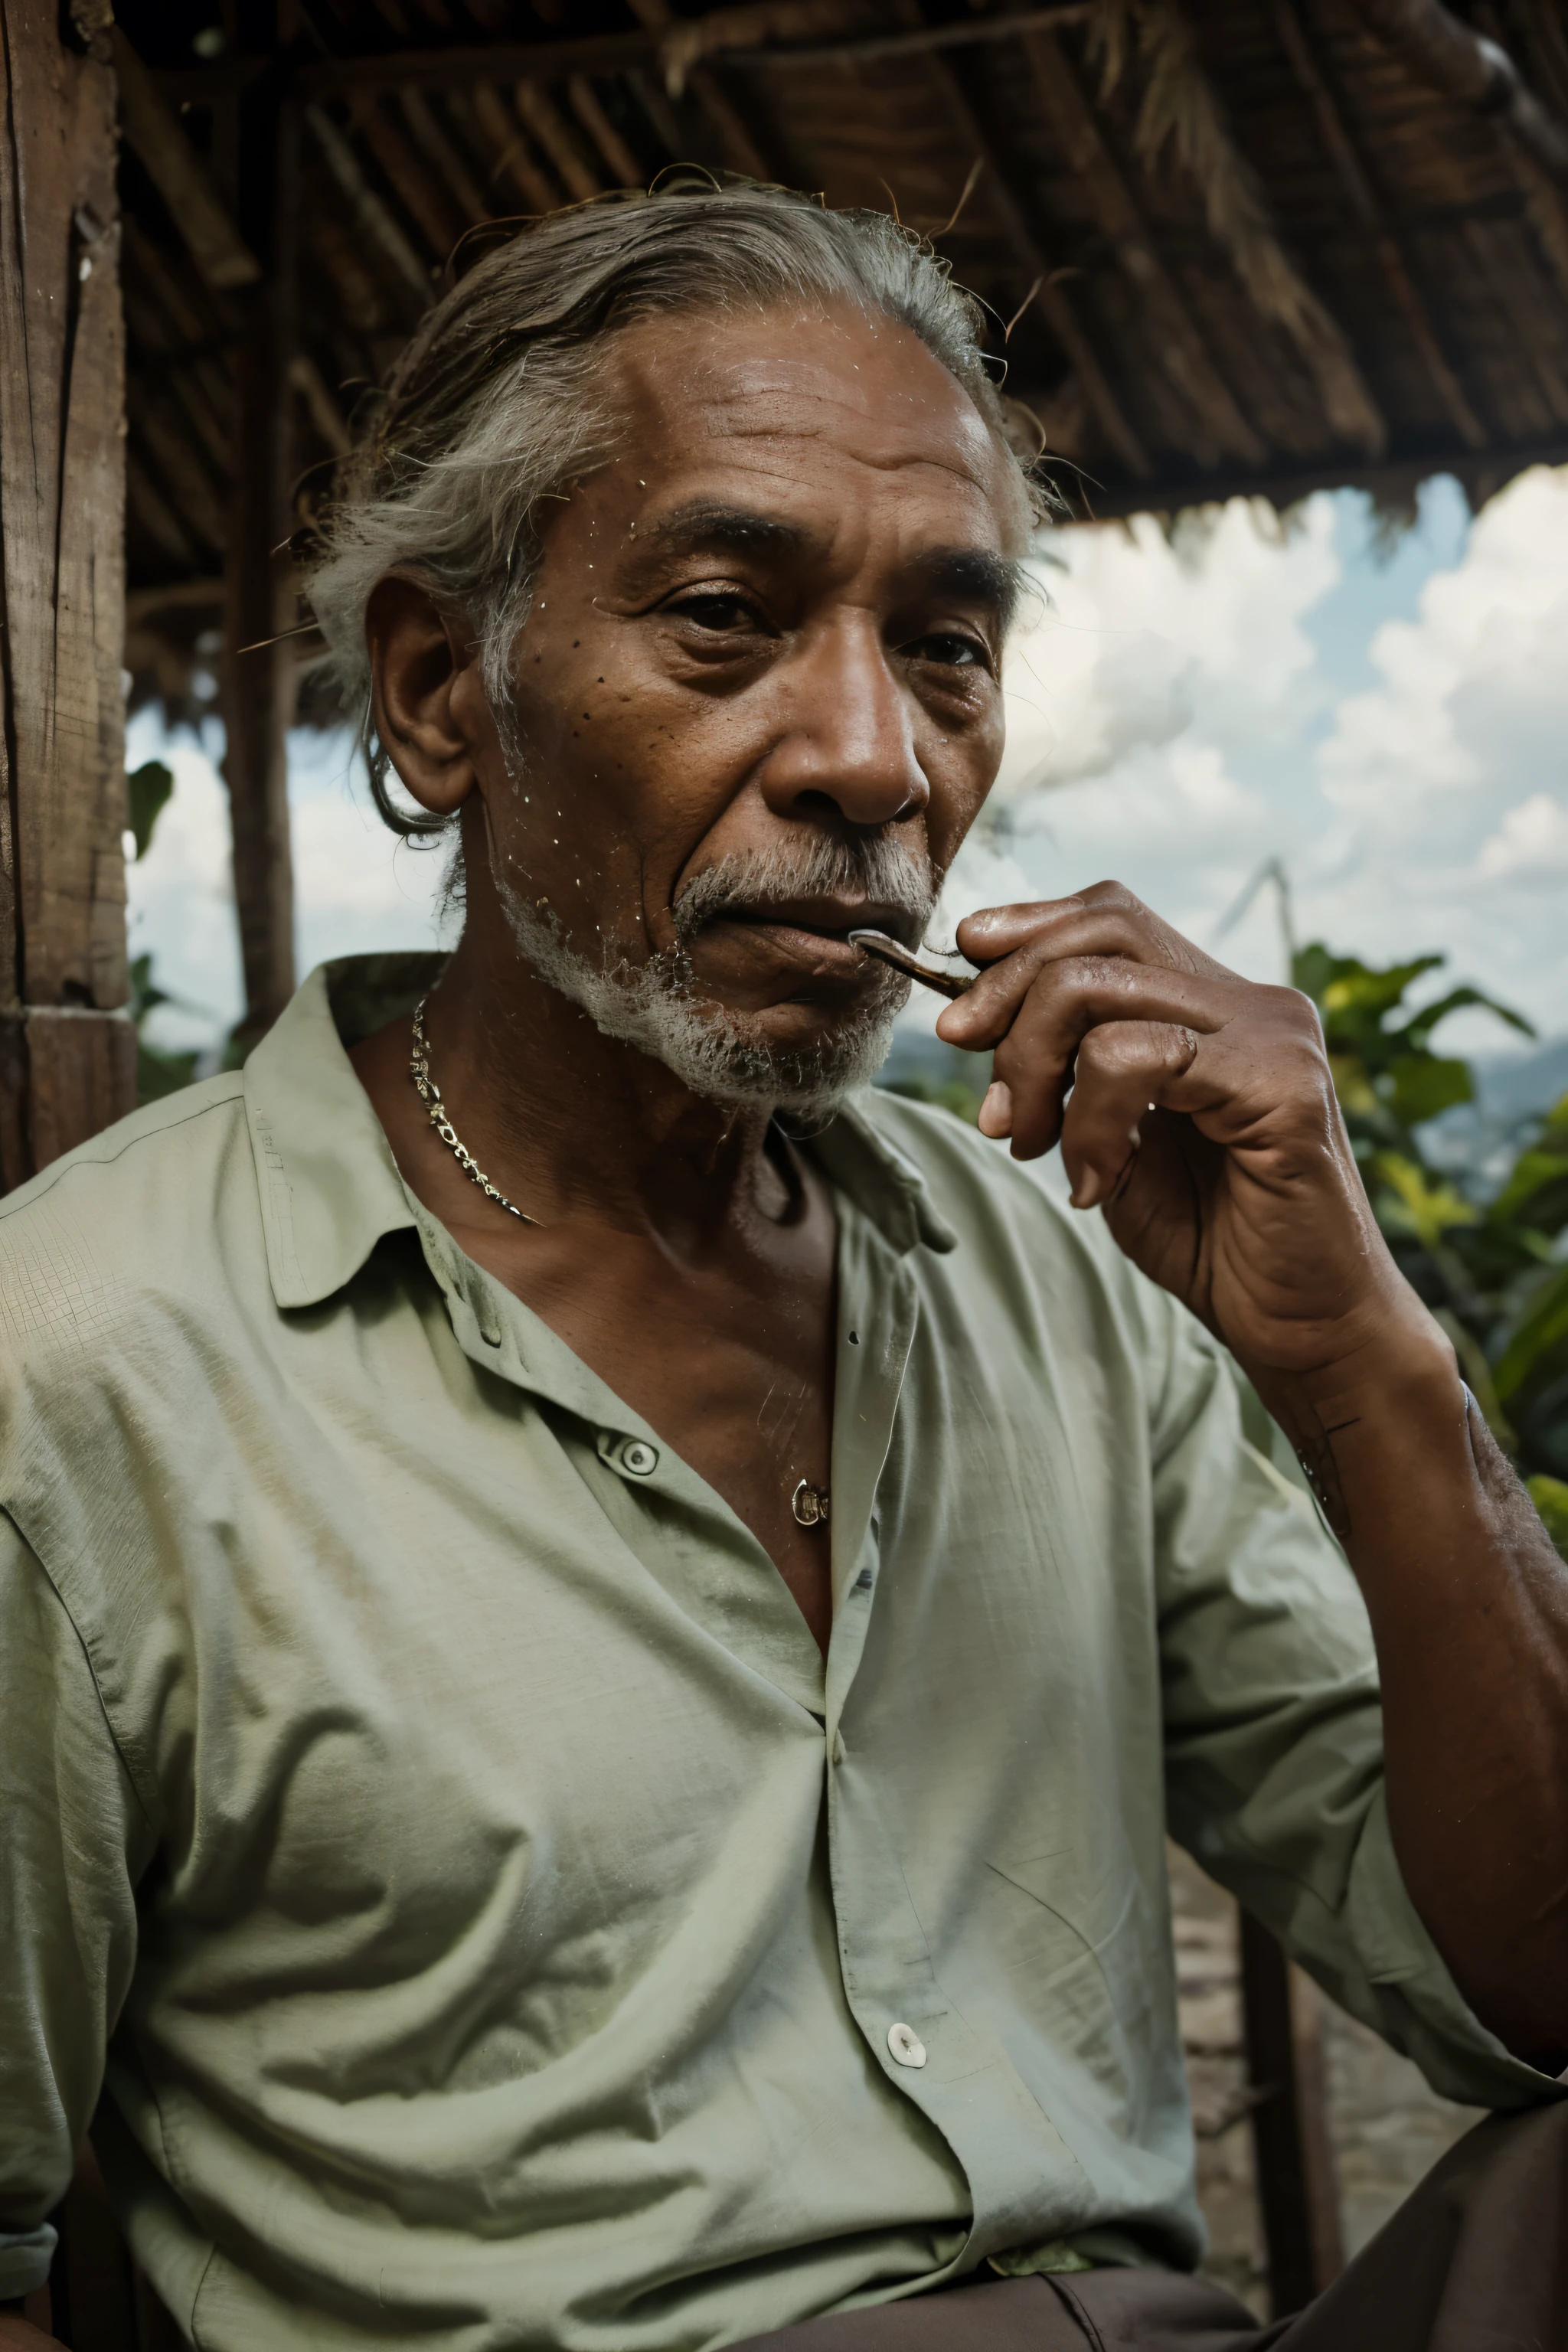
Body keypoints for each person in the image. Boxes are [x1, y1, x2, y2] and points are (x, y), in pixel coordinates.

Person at [2, 182, 1565, 2352]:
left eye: (948, 644)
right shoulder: (80, 1367)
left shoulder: (1075, 1279)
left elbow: (1545, 1997)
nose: (876, 761)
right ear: (447, 695)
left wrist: (1370, 1360)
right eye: (728, 614)